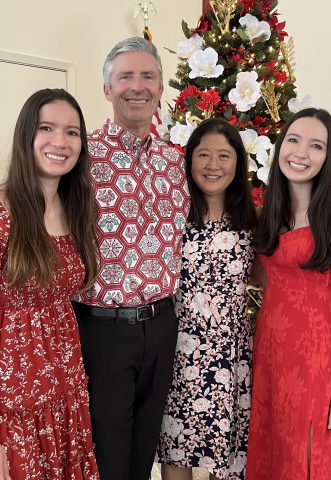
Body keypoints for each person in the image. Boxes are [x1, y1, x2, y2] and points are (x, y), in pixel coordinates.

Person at [71, 37, 190, 480]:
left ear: (161, 88)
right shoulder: (80, 155)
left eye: (148, 76)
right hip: (101, 330)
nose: (137, 86)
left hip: (162, 326)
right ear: (107, 89)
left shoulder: (176, 162)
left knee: (144, 455)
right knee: (106, 456)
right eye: (125, 76)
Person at [246, 108, 331, 479]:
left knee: (308, 464)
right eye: (293, 140)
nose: (301, 153)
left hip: (319, 364)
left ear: (329, 156)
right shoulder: (268, 214)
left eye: (316, 145)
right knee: (273, 458)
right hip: (271, 358)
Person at [0, 88, 99, 479]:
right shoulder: (3, 212)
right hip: (15, 401)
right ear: (27, 136)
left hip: (66, 389)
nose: (60, 142)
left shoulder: (76, 209)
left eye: (72, 132)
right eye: (47, 128)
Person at [157, 118, 257, 480]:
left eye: (223, 156)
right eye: (203, 154)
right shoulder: (173, 215)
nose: (213, 166)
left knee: (227, 456)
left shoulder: (251, 221)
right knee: (177, 445)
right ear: (190, 160)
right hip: (178, 352)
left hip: (231, 357)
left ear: (237, 163)